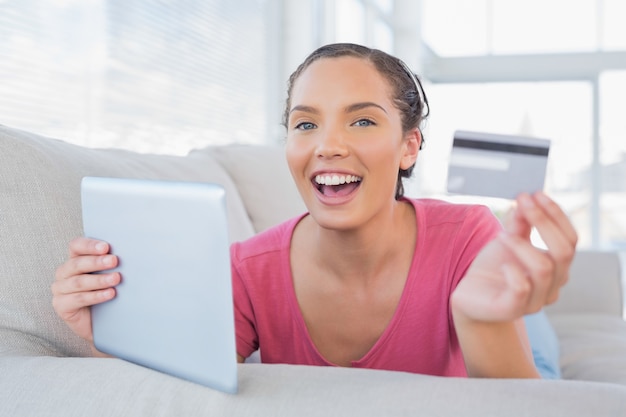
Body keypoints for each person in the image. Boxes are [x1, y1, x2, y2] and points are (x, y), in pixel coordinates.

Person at [52, 43, 577, 378]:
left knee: (542, 352)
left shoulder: (468, 235)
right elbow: (182, 386)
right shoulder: (245, 270)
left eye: (363, 122)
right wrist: (103, 335)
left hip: (501, 345)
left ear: (409, 147)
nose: (327, 145)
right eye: (306, 125)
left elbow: (517, 402)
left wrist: (481, 321)